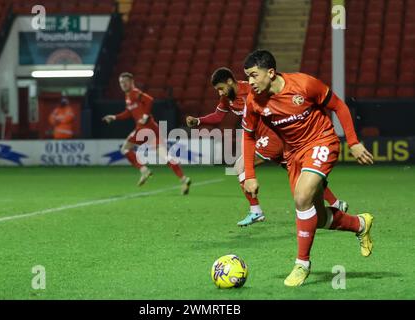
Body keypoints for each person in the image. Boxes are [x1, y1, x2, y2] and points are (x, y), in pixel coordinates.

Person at [242, 50, 374, 286]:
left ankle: (302, 264)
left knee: (301, 198)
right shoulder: (253, 101)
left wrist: (352, 142)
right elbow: (248, 136)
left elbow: (339, 107)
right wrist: (250, 175)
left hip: (321, 141)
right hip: (293, 155)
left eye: (253, 75)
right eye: (247, 76)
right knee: (318, 217)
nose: (250, 82)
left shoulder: (304, 84)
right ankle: (360, 224)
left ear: (270, 73)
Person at [186, 67, 348, 227]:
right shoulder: (227, 98)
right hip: (271, 139)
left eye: (221, 88)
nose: (220, 93)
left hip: (272, 137)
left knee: (240, 166)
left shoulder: (252, 89)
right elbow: (218, 116)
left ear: (229, 81)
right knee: (300, 174)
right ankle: (336, 203)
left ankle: (255, 210)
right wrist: (199, 121)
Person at [103, 72, 191, 195]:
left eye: (125, 82)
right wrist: (114, 117)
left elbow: (149, 100)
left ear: (131, 82)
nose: (123, 85)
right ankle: (184, 179)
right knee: (165, 157)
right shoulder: (128, 96)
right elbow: (128, 113)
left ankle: (144, 170)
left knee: (125, 149)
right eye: (121, 83)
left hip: (143, 128)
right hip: (153, 128)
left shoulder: (134, 92)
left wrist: (144, 116)